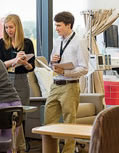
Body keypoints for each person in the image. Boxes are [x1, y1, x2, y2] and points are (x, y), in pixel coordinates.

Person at [44, 11, 89, 153]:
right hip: (55, 85)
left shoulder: (80, 42)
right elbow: (51, 64)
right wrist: (53, 62)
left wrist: (65, 72)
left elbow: (84, 68)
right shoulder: (58, 41)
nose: (56, 28)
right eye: (55, 25)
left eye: (59, 25)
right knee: (49, 121)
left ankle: (68, 151)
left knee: (70, 124)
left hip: (70, 86)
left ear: (68, 25)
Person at [0, 14, 35, 106]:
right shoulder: (2, 43)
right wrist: (15, 60)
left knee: (22, 110)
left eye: (11, 27)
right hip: (5, 80)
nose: (8, 30)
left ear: (17, 27)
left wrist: (24, 63)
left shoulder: (27, 43)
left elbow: (31, 67)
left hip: (22, 80)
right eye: (6, 27)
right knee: (6, 111)